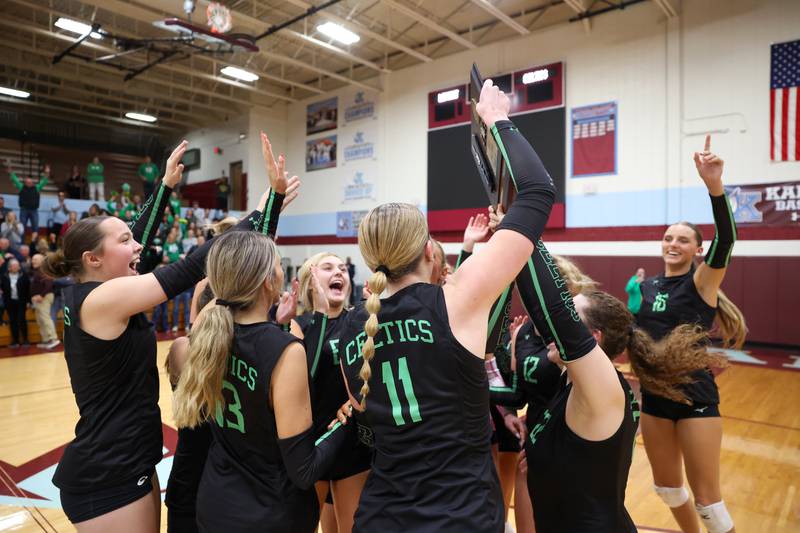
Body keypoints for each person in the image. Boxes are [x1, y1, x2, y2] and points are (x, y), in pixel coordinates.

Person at [332, 78, 555, 531]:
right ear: (431, 253)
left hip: (381, 516)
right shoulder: (456, 300)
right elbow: (537, 193)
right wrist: (498, 121)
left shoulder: (351, 328)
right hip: (461, 516)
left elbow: (364, 412)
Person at [40, 139, 274, 530]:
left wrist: (164, 187)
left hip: (128, 459)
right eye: (124, 241)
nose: (137, 245)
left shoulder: (101, 289)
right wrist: (262, 211)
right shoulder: (99, 300)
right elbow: (190, 267)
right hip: (107, 473)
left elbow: (140, 247)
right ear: (92, 260)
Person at [637, 136, 745, 533]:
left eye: (683, 239)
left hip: (695, 398)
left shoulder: (701, 282)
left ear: (698, 250)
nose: (673, 243)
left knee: (709, 504)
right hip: (654, 399)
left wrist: (714, 186)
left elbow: (728, 239)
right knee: (666, 489)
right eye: (668, 237)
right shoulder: (648, 289)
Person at [296, 252, 371, 533]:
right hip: (310, 446)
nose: (339, 272)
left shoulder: (358, 322)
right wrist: (320, 313)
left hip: (351, 444)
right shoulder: (298, 325)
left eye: (343, 268)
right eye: (327, 268)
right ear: (310, 280)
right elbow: (305, 378)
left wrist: (353, 403)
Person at [7, 160, 49, 239]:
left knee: (35, 228)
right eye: (27, 182)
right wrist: (10, 169)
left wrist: (47, 173)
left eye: (30, 182)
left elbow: (44, 181)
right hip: (24, 210)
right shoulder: (21, 187)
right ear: (25, 183)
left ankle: (35, 244)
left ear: (33, 183)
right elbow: (14, 179)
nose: (29, 183)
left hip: (34, 210)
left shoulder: (37, 188)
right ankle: (21, 243)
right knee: (22, 228)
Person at [30, 253, 60, 349]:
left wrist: (41, 295)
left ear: (42, 261)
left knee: (45, 318)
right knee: (40, 320)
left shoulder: (44, 270)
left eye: (35, 259)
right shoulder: (37, 271)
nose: (33, 261)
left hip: (44, 297)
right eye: (32, 259)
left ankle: (54, 339)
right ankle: (46, 340)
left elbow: (49, 284)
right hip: (38, 298)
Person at [2, 258, 30, 348]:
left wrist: (28, 301)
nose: (16, 267)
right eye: (14, 266)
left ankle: (25, 340)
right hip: (10, 302)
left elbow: (28, 289)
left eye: (17, 266)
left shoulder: (23, 275)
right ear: (9, 268)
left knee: (22, 320)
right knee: (12, 321)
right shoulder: (4, 276)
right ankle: (15, 341)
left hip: (21, 302)